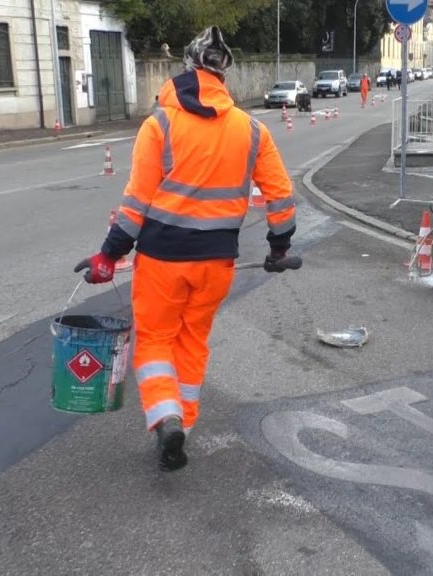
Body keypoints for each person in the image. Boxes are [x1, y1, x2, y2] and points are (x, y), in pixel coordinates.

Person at [75, 26, 297, 472]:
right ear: (223, 76)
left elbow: (136, 204)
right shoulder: (251, 130)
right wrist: (277, 248)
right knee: (192, 341)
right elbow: (281, 196)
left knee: (156, 340)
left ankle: (166, 417)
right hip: (216, 264)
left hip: (161, 261)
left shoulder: (160, 125)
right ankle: (184, 425)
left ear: (187, 69)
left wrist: (108, 255)